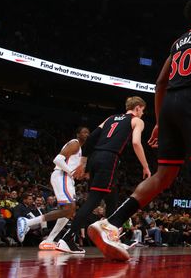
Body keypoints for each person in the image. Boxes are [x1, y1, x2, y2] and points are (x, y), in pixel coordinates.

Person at [87, 0, 191, 262]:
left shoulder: (177, 43)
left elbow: (160, 83)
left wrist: (161, 121)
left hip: (170, 102)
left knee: (164, 175)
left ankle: (111, 224)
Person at [54, 96, 152, 254]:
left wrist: (84, 162)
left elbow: (92, 138)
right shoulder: (136, 120)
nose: (142, 113)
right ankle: (67, 238)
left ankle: (115, 239)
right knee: (93, 200)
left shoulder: (110, 118)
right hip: (109, 159)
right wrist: (145, 166)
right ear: (138, 107)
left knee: (112, 199)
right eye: (143, 110)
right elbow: (135, 143)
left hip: (95, 158)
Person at [17, 127, 89, 249]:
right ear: (78, 134)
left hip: (67, 178)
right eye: (84, 132)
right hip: (62, 175)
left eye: (88, 132)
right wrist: (71, 171)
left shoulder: (81, 150)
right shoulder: (74, 143)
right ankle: (27, 222)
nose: (87, 134)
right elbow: (57, 160)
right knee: (69, 208)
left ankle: (49, 240)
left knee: (69, 212)